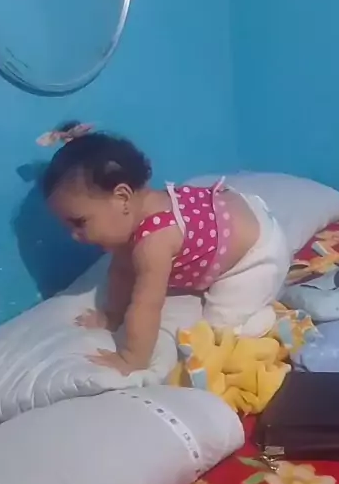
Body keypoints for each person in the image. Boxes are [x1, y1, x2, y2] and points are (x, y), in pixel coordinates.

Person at [41, 123, 290, 374]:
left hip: (257, 253)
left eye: (80, 223)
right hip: (239, 213)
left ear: (122, 197)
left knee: (220, 328)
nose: (74, 236)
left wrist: (131, 358)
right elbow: (121, 272)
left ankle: (262, 316)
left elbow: (147, 306)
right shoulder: (136, 216)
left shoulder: (154, 242)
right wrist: (111, 317)